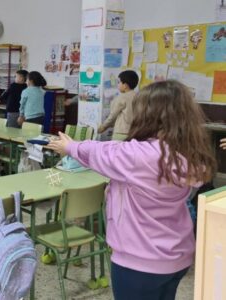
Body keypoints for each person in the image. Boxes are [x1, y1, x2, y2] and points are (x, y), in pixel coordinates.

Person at [47, 80, 216, 300]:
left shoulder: (138, 155)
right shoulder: (189, 152)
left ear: (148, 113)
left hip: (140, 261)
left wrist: (69, 147)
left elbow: (100, 152)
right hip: (177, 255)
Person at [97, 70, 139, 140]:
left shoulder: (122, 97)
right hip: (134, 132)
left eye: (119, 82)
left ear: (125, 85)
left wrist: (103, 127)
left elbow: (113, 115)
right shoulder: (139, 96)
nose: (118, 85)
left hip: (121, 133)